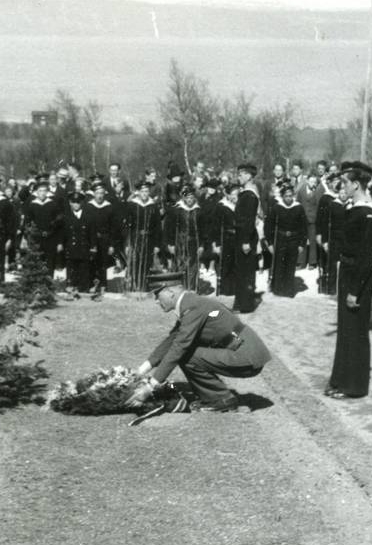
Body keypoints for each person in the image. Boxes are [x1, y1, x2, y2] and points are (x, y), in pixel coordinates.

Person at [126, 273, 271, 413]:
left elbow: (179, 347)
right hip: (242, 350)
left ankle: (221, 400)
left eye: (157, 295)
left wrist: (150, 387)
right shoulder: (190, 304)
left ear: (170, 292)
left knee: (186, 355)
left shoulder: (192, 308)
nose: (156, 300)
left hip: (247, 356)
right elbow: (171, 340)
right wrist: (140, 372)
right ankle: (216, 396)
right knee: (185, 352)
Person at [325, 161, 372, 400]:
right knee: (346, 331)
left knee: (355, 332)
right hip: (347, 273)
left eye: (346, 183)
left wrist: (355, 291)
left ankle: (354, 386)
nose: (343, 186)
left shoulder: (367, 214)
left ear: (356, 184)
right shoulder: (355, 209)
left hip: (357, 278)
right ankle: (341, 380)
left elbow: (365, 257)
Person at [266, 185, 307, 298]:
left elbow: (303, 227)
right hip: (280, 239)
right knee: (279, 264)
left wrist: (302, 244)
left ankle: (289, 290)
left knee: (291, 265)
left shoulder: (299, 208)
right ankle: (278, 289)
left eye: (290, 196)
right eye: (286, 196)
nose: (289, 198)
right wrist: (269, 243)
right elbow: (269, 225)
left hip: (294, 240)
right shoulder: (277, 208)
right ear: (282, 196)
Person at [233, 164, 261, 312]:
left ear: (249, 176)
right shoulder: (245, 193)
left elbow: (249, 220)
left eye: (241, 174)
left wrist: (245, 241)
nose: (239, 177)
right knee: (242, 271)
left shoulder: (250, 195)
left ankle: (245, 305)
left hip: (246, 238)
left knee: (246, 272)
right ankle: (241, 303)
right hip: (242, 236)